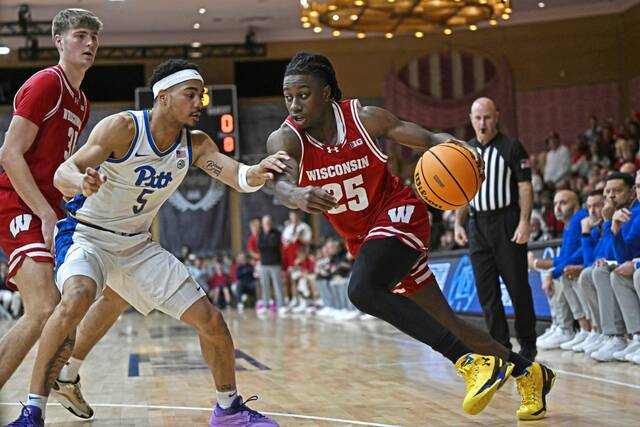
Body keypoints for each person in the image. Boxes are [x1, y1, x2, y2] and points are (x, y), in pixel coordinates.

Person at [266, 52, 555, 420]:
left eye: (303, 95)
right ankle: (531, 373)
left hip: (399, 214)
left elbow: (431, 138)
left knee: (361, 290)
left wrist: (461, 147)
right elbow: (280, 182)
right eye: (288, 97)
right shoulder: (286, 139)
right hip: (367, 240)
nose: (294, 105)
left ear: (326, 94)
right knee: (448, 322)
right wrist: (296, 195)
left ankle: (468, 363)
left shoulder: (364, 119)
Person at [4, 59, 285, 427]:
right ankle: (33, 410)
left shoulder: (196, 143)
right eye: (191, 94)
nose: (200, 102)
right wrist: (80, 182)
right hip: (86, 234)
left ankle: (228, 408)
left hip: (137, 246)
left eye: (200, 95)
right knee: (76, 298)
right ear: (163, 96)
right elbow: (63, 172)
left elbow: (235, 175)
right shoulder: (123, 127)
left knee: (212, 320)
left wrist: (257, 172)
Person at [0, 7, 106, 406]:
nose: (90, 44)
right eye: (81, 35)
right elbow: (9, 153)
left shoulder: (81, 101)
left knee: (77, 295)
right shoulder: (46, 83)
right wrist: (44, 212)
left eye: (94, 38)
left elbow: (62, 165)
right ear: (58, 41)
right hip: (19, 203)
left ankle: (61, 378)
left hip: (52, 208)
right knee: (43, 307)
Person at [454, 97, 538, 362]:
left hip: (507, 222)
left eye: (487, 117)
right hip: (477, 224)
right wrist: (458, 223)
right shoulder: (467, 150)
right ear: (471, 119)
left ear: (497, 117)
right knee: (486, 291)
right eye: (478, 118)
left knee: (517, 287)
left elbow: (525, 186)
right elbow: (463, 191)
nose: (482, 123)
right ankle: (500, 346)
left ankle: (527, 343)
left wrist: (524, 221)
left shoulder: (512, 147)